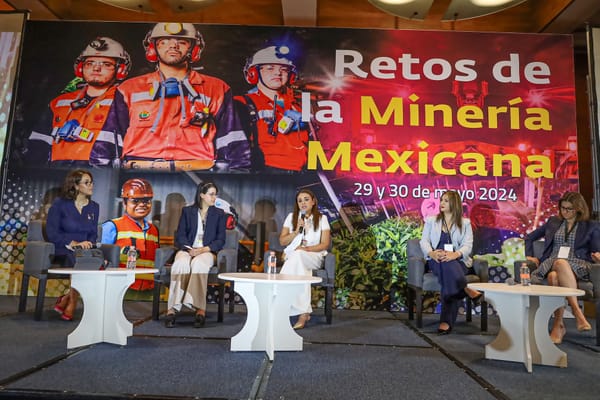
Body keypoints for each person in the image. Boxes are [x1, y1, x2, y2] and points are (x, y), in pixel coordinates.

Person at [90, 22, 250, 172]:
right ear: (153, 48)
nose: (173, 45)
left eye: (182, 41)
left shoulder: (217, 89)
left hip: (198, 173)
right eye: (165, 41)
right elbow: (109, 139)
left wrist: (236, 177)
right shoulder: (129, 89)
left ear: (194, 49)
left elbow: (233, 142)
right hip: (138, 171)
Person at [27, 37, 130, 166]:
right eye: (90, 63)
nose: (96, 68)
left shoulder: (125, 100)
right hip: (55, 174)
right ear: (81, 68)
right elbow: (37, 145)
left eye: (106, 64)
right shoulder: (59, 102)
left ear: (120, 70)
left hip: (102, 174)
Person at [524, 191, 600, 344]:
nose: (565, 212)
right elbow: (530, 237)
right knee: (557, 266)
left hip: (577, 263)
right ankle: (577, 313)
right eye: (563, 208)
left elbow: (596, 249)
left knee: (554, 275)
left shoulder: (590, 226)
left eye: (569, 209)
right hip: (552, 261)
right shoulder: (553, 222)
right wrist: (530, 255)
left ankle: (559, 325)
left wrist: (598, 255)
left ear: (578, 209)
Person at [235, 45, 312, 172]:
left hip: (303, 173)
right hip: (266, 173)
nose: (277, 73)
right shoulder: (242, 103)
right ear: (254, 73)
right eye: (270, 68)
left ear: (291, 75)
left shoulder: (300, 105)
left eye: (284, 69)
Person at [419, 190, 483, 335]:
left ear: (454, 203)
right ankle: (465, 290)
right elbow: (424, 241)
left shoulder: (465, 223)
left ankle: (446, 321)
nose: (441, 203)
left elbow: (468, 245)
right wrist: (431, 253)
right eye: (441, 200)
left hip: (458, 261)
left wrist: (455, 254)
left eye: (446, 201)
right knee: (444, 262)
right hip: (436, 259)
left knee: (448, 268)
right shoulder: (431, 220)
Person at [164, 182, 227, 328]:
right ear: (202, 195)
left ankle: (200, 309)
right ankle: (172, 309)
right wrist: (188, 249)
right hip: (188, 249)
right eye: (211, 194)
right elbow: (180, 235)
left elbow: (220, 240)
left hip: (207, 251)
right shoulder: (187, 211)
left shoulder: (219, 214)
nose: (214, 197)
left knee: (199, 264)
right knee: (180, 264)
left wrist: (203, 250)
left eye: (215, 194)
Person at [45, 169, 98, 321]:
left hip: (84, 251)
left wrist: (89, 243)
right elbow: (52, 232)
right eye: (87, 183)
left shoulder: (94, 207)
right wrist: (73, 243)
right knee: (78, 258)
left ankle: (68, 297)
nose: (91, 186)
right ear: (75, 186)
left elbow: (93, 234)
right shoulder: (60, 204)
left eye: (92, 182)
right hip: (63, 248)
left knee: (91, 259)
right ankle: (73, 301)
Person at [279, 189, 331, 329]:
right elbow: (282, 242)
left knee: (298, 255)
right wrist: (296, 231)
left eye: (306, 199)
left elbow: (325, 244)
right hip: (295, 256)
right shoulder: (291, 217)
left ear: (313, 202)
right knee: (300, 264)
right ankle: (303, 313)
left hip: (314, 256)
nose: (303, 203)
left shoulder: (322, 218)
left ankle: (280, 304)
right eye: (300, 200)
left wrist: (305, 249)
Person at [101, 178, 159, 291]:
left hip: (149, 291)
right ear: (124, 203)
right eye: (135, 201)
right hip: (120, 289)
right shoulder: (112, 226)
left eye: (147, 201)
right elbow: (101, 260)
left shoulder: (154, 230)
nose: (142, 205)